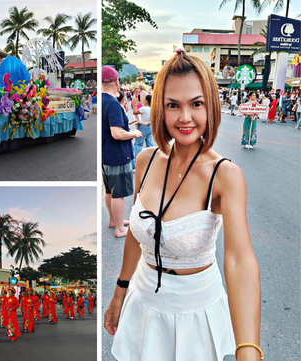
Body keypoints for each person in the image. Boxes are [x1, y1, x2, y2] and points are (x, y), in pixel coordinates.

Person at [103, 49, 261, 361]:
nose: (184, 117)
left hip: (195, 314)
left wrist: (249, 351)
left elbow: (240, 261)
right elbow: (137, 233)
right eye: (173, 105)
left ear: (210, 107)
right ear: (160, 109)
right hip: (143, 302)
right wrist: (119, 293)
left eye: (196, 104)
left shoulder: (225, 175)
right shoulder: (145, 160)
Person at [102, 66, 143, 238]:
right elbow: (117, 133)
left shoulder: (103, 100)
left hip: (106, 155)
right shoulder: (113, 104)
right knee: (118, 193)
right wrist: (134, 133)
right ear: (115, 81)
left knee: (109, 191)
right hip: (118, 154)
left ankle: (114, 221)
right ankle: (120, 228)